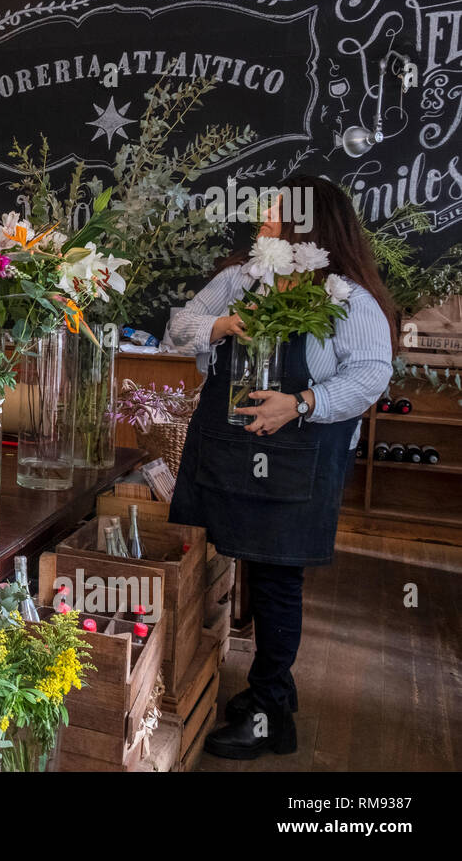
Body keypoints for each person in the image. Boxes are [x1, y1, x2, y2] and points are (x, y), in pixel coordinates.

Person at [165, 175, 393, 760]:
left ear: (306, 227)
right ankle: (269, 699)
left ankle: (267, 711)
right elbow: (178, 328)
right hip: (228, 448)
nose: (262, 217)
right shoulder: (240, 281)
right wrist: (219, 325)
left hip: (295, 459)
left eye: (274, 211)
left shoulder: (347, 299)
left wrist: (302, 403)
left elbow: (370, 374)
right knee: (216, 555)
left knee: (275, 577)